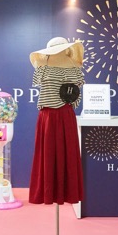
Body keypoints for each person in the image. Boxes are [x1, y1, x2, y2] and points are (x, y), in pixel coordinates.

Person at [28, 37, 85, 205]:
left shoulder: (71, 67)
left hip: (58, 115)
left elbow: (76, 94)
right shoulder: (46, 66)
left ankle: (60, 193)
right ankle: (53, 192)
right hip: (54, 116)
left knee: (61, 154)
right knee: (51, 154)